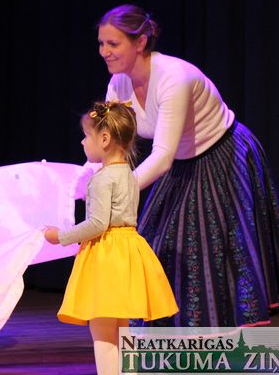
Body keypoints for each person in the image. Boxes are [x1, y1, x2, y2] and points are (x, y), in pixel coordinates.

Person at [87, 4, 279, 326]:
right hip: (181, 160)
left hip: (222, 156)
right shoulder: (119, 84)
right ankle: (170, 337)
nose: (104, 52)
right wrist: (88, 179)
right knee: (158, 245)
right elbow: (109, 143)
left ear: (140, 43)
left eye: (113, 44)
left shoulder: (175, 78)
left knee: (214, 251)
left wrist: (115, 191)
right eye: (101, 43)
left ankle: (218, 338)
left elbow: (162, 156)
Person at [44, 100, 178, 375]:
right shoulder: (128, 175)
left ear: (104, 139)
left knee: (103, 334)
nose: (83, 142)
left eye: (87, 136)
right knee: (122, 329)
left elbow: (97, 224)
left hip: (107, 256)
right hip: (127, 253)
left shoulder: (103, 179)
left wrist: (61, 237)